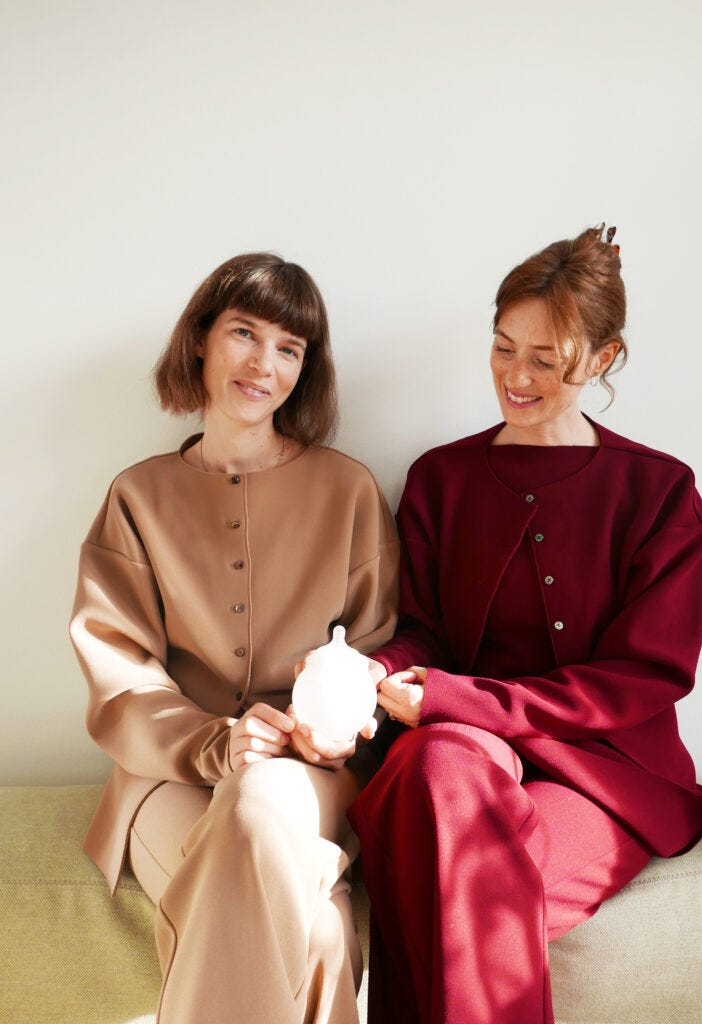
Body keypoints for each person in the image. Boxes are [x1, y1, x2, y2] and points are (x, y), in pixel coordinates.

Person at [347, 226, 702, 1024]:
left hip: (603, 772)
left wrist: (463, 701)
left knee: (459, 869)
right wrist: (380, 670)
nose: (515, 377)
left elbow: (642, 676)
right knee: (439, 768)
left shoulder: (659, 492)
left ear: (602, 359)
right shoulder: (440, 479)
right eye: (503, 348)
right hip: (460, 752)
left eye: (546, 359)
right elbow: (424, 631)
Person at [69, 253, 398, 1024]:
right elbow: (119, 676)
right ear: (200, 341)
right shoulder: (137, 496)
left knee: (257, 794)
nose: (263, 364)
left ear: (304, 370)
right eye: (244, 334)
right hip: (167, 778)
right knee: (320, 936)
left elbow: (376, 650)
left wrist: (329, 728)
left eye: (289, 348)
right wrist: (217, 742)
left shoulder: (348, 491)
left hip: (310, 778)